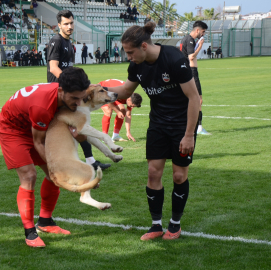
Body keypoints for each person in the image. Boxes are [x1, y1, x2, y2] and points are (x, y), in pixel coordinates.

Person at [107, 22, 200, 240]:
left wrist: (189, 135)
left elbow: (194, 98)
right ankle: (156, 225)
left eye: (130, 52)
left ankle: (175, 225)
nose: (128, 56)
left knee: (179, 175)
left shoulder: (175, 60)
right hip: (158, 125)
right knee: (153, 173)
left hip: (181, 125)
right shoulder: (137, 65)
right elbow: (125, 90)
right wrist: (96, 89)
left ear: (144, 46)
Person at [0, 67, 90, 248]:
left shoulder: (70, 97)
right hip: (13, 129)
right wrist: (57, 167)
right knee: (29, 175)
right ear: (61, 90)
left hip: (35, 126)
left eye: (82, 97)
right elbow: (38, 142)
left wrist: (78, 132)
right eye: (74, 98)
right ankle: (30, 232)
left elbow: (80, 135)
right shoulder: (42, 106)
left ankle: (45, 222)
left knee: (53, 179)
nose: (79, 103)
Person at [47, 10, 110, 171]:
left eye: (71, 23)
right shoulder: (57, 41)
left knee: (78, 127)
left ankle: (89, 161)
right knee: (75, 128)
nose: (69, 26)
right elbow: (53, 68)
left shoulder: (69, 42)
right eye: (66, 24)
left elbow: (69, 68)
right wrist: (71, 84)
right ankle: (80, 162)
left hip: (68, 91)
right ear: (59, 25)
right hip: (60, 92)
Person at [180, 20, 210, 135]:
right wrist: (200, 46)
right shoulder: (190, 40)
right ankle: (199, 127)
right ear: (197, 30)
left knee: (192, 100)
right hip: (191, 72)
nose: (203, 34)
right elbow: (191, 56)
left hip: (187, 71)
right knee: (198, 100)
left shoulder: (186, 39)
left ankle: (195, 127)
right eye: (202, 32)